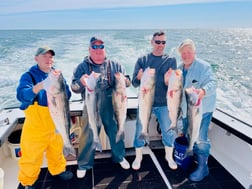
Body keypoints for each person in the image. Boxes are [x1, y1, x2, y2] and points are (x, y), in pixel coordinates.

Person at [71, 36, 131, 178]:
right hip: (91, 101)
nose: (98, 50)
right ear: (89, 49)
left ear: (105, 49)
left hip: (112, 103)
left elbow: (128, 82)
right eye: (95, 47)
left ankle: (120, 157)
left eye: (101, 47)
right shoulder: (82, 67)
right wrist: (81, 82)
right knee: (89, 132)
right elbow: (74, 87)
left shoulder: (116, 64)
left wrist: (124, 80)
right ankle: (84, 164)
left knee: (115, 129)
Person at [16, 47, 73, 189]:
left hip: (56, 122)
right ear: (36, 58)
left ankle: (58, 170)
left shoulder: (57, 74)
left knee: (57, 151)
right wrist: (39, 87)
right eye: (45, 56)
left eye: (51, 57)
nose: (49, 59)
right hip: (36, 126)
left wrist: (61, 85)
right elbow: (21, 95)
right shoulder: (29, 76)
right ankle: (28, 181)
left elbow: (68, 95)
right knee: (31, 156)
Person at [131, 31, 178, 170]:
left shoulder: (171, 60)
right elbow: (134, 82)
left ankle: (169, 156)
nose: (160, 45)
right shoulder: (142, 60)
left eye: (163, 42)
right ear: (152, 42)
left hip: (164, 104)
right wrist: (139, 78)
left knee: (168, 130)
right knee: (140, 129)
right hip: (146, 102)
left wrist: (169, 80)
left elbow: (173, 86)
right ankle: (138, 156)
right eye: (158, 42)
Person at [178, 39, 217, 182]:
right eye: (183, 53)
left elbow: (213, 83)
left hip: (202, 111)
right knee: (189, 136)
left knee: (201, 139)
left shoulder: (204, 67)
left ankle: (203, 168)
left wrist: (203, 91)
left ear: (194, 52)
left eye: (189, 52)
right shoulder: (179, 69)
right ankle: (192, 159)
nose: (186, 55)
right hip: (186, 110)